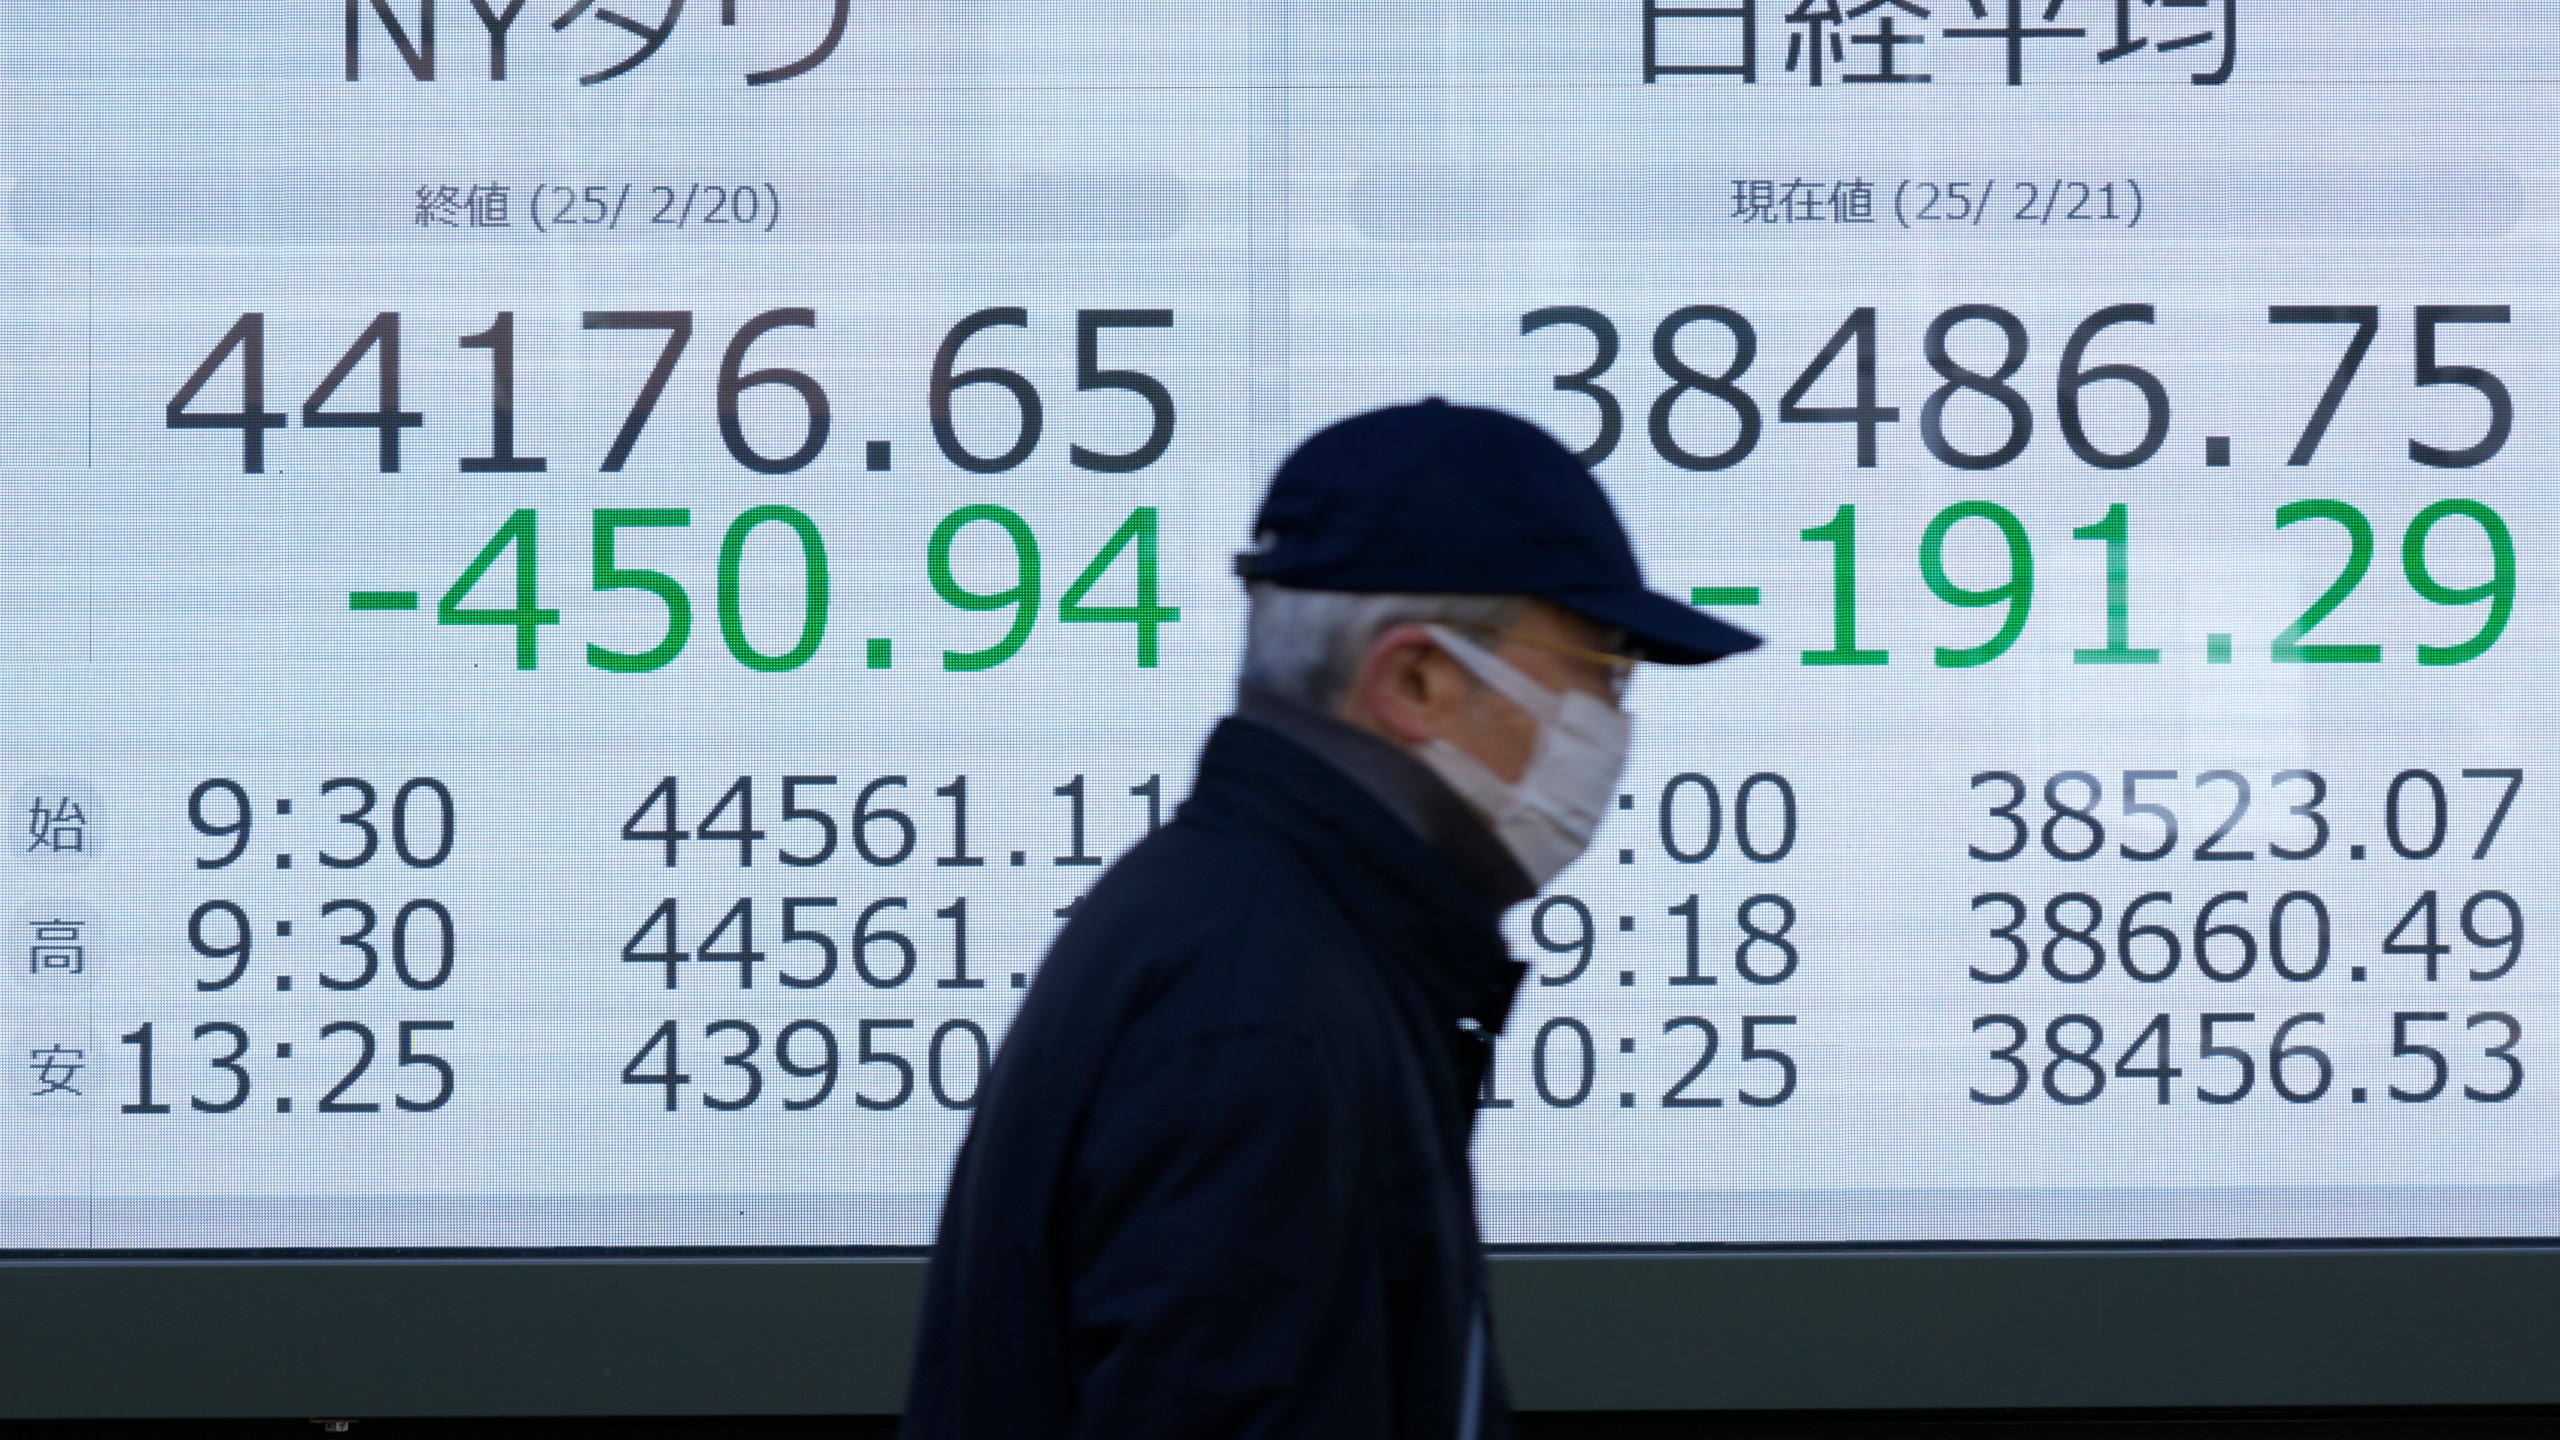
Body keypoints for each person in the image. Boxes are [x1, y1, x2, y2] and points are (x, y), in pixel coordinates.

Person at [902, 398, 1760, 1438]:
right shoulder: (1260, 1016)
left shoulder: (1256, 935)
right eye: (1599, 673)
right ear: (1415, 678)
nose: (1613, 725)